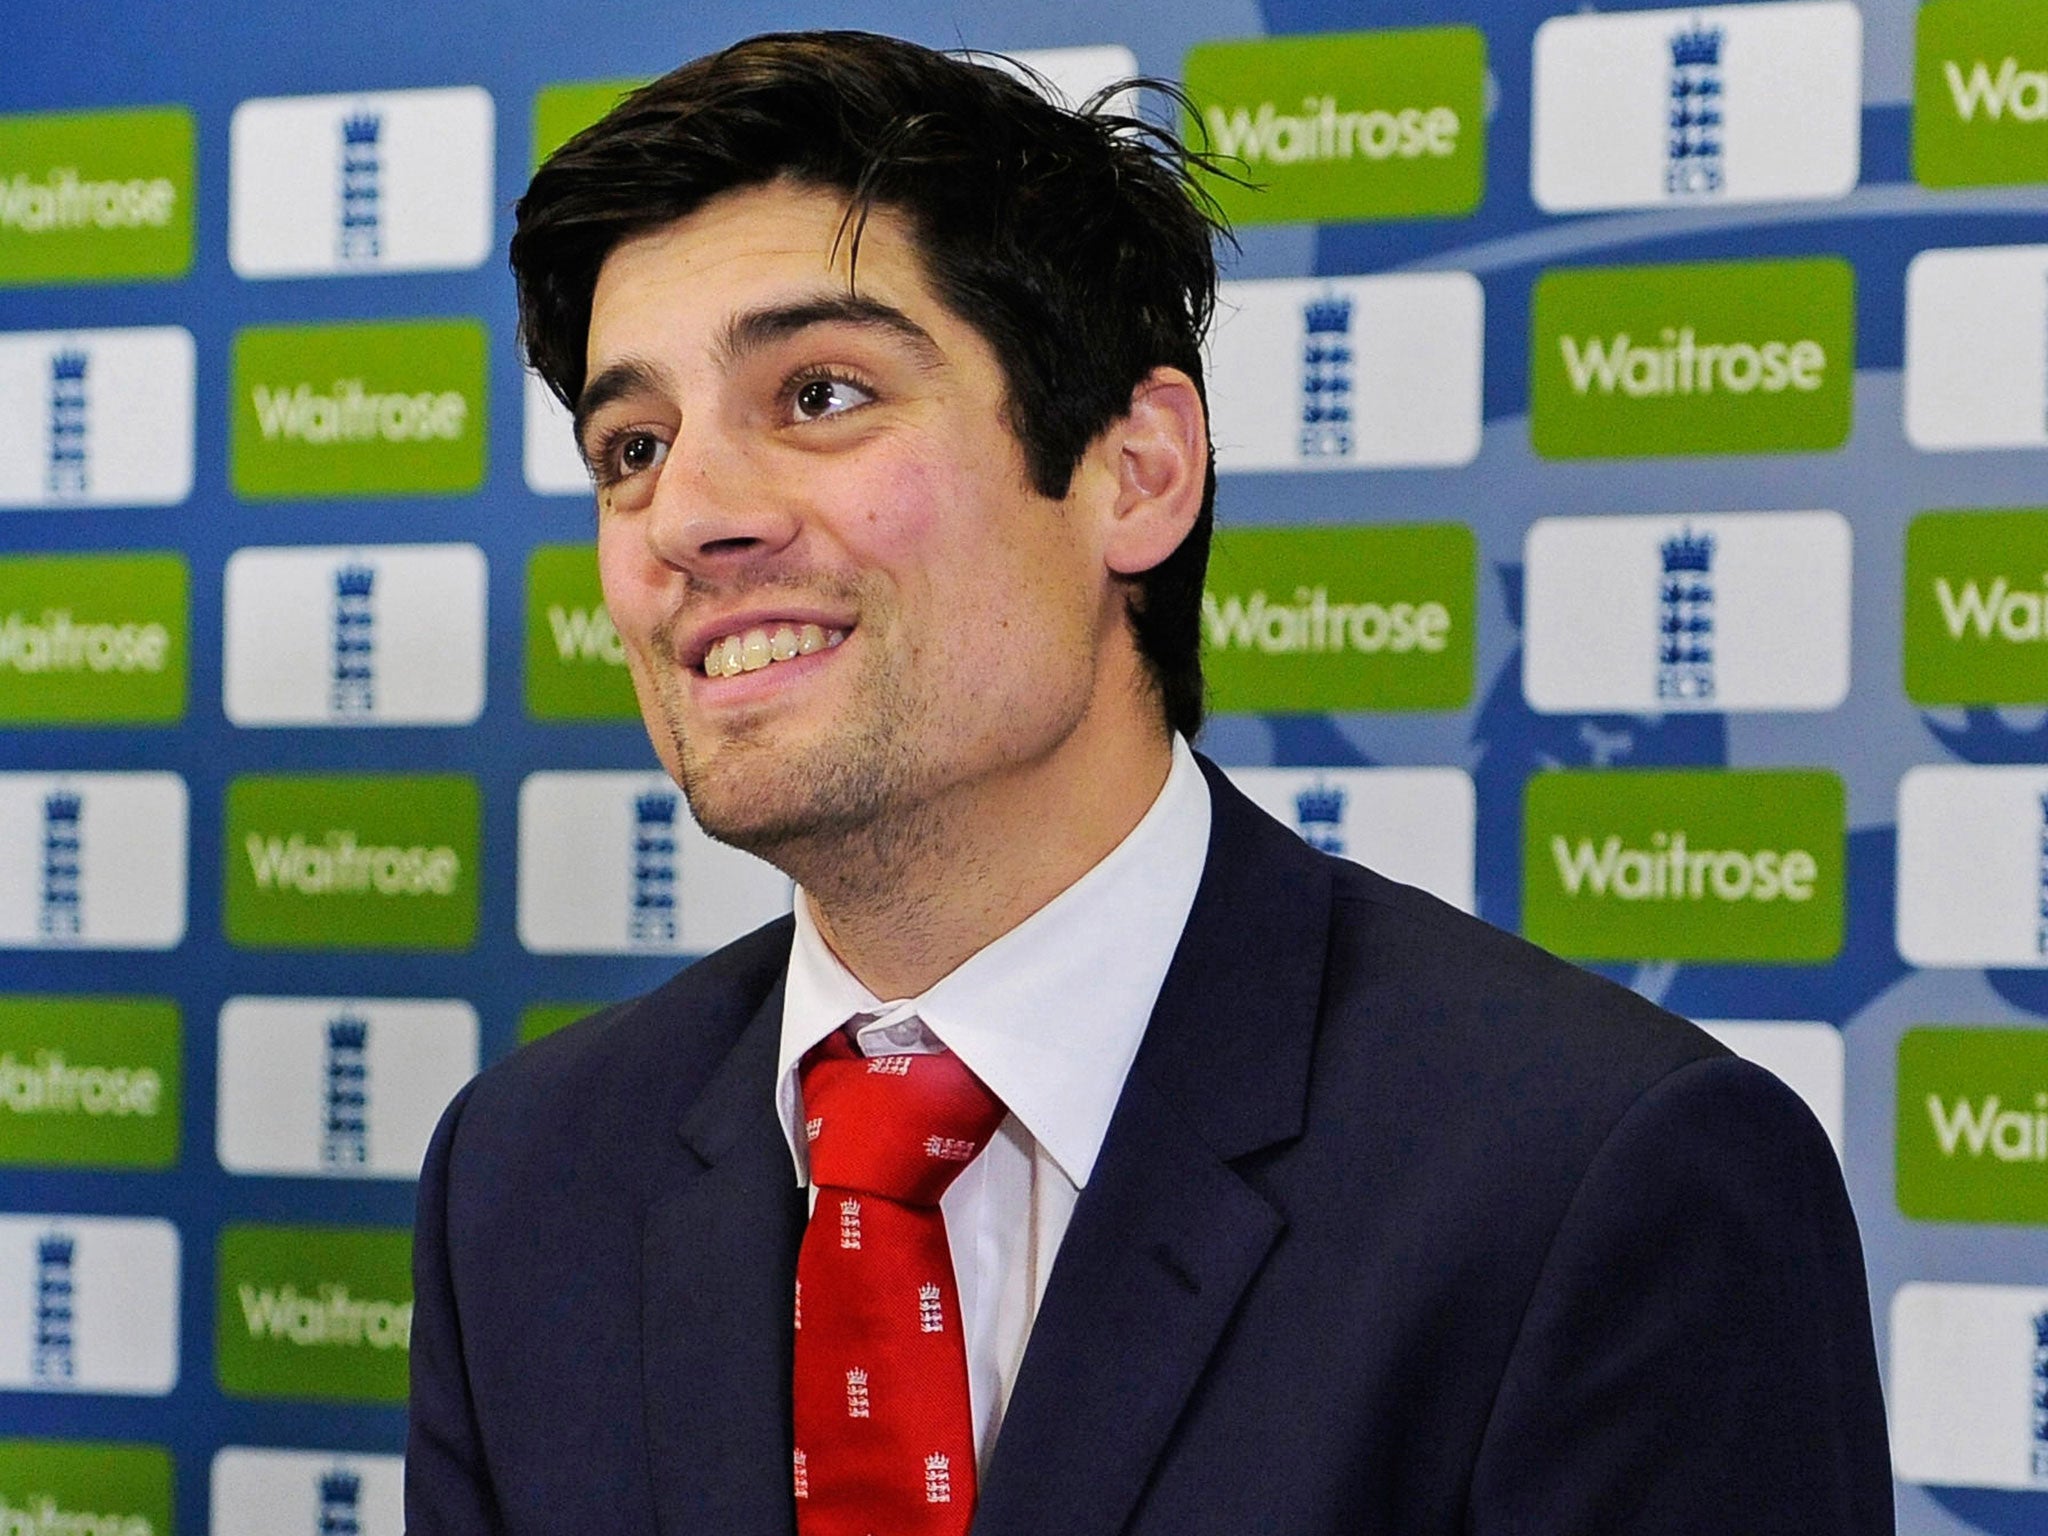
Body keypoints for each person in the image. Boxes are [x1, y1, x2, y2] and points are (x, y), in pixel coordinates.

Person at [406, 30, 1892, 1535]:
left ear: (1138, 473)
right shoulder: (524, 1183)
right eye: (632, 445)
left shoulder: (1603, 1183)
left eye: (823, 394)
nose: (692, 516)